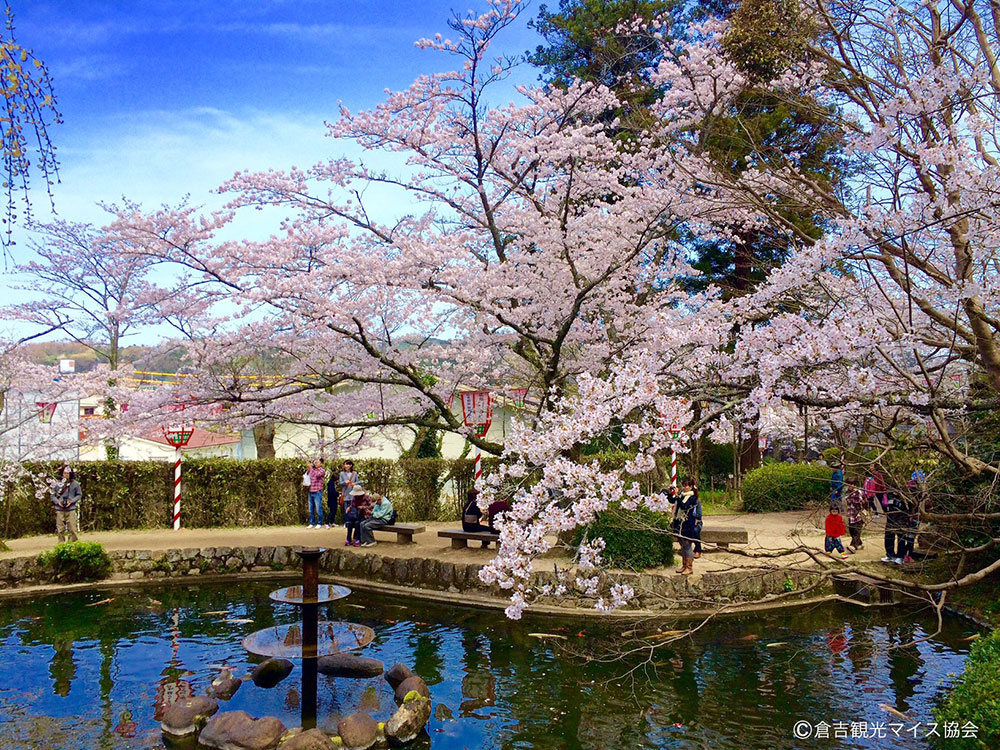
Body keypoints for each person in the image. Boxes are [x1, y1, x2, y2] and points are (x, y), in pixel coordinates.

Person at [672, 479, 699, 575]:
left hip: (688, 524)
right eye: (683, 485)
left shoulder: (693, 498)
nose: (684, 487)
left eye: (686, 485)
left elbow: (684, 506)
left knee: (687, 545)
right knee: (682, 545)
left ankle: (689, 567)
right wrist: (670, 493)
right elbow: (672, 501)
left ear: (691, 486)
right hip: (680, 524)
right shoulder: (681, 496)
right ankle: (684, 565)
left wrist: (677, 496)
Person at [51, 465, 82, 543]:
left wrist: (72, 501)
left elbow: (79, 494)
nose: (66, 475)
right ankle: (61, 544)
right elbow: (52, 495)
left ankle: (73, 543)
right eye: (64, 473)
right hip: (59, 508)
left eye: (68, 473)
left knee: (72, 528)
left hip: (71, 508)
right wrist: (58, 502)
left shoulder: (75, 484)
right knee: (60, 528)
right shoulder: (57, 484)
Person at [882, 491, 905, 564]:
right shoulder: (889, 494)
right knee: (888, 537)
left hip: (901, 519)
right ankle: (890, 554)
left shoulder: (905, 494)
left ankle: (900, 557)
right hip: (890, 518)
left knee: (901, 538)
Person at [845, 479, 866, 551]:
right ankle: (859, 543)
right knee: (852, 531)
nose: (851, 485)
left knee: (857, 531)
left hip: (858, 515)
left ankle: (853, 546)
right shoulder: (847, 492)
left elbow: (862, 502)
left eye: (853, 484)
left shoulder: (858, 492)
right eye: (849, 484)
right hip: (850, 515)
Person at [306, 459, 327, 528]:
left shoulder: (322, 470)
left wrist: (311, 468)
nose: (315, 463)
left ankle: (319, 523)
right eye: (315, 462)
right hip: (311, 491)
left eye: (317, 462)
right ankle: (312, 523)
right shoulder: (313, 470)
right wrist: (308, 467)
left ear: (321, 464)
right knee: (310, 509)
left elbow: (317, 475)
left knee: (318, 508)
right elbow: (307, 475)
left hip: (318, 491)